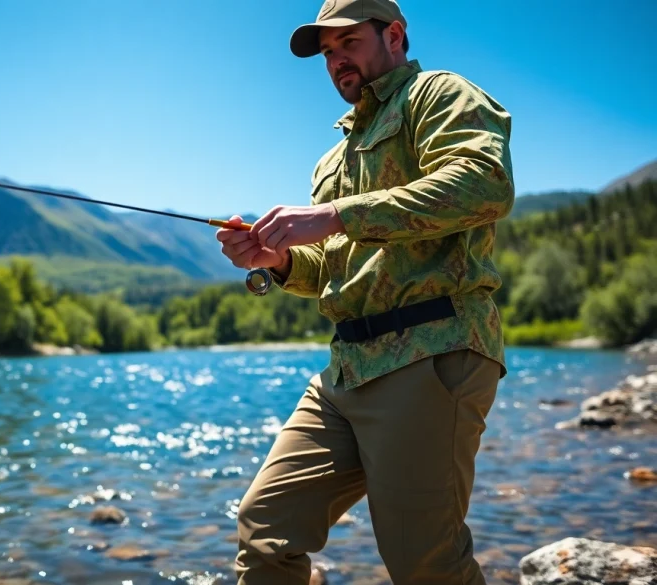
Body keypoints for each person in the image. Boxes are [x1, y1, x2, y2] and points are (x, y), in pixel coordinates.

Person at [215, 0, 515, 583]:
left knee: (423, 563)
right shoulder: (332, 157)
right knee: (265, 530)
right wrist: (277, 261)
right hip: (346, 370)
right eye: (328, 53)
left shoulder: (438, 95)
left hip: (432, 352)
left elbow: (484, 185)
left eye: (348, 43)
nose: (336, 62)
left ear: (394, 35)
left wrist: (332, 215)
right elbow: (333, 269)